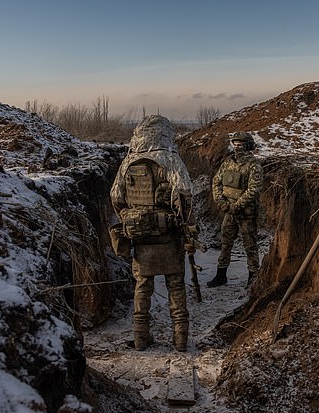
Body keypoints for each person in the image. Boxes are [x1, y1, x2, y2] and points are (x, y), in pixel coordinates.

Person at [110, 115, 196, 352]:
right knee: (176, 286)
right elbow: (186, 197)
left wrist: (131, 221)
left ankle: (140, 338)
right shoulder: (172, 160)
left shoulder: (128, 162)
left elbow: (116, 198)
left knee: (142, 287)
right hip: (169, 236)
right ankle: (180, 341)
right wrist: (189, 232)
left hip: (141, 238)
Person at [207, 132, 263, 287]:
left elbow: (253, 189)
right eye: (235, 144)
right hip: (229, 211)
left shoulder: (254, 165)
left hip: (246, 213)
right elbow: (216, 183)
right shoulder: (227, 163)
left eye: (241, 144)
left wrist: (236, 206)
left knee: (250, 245)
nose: (238, 147)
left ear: (249, 146)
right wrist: (221, 202)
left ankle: (253, 278)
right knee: (225, 243)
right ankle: (221, 275)